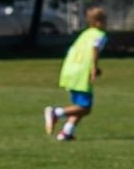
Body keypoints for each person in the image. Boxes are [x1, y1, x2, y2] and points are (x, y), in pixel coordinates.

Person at [44, 8, 107, 142]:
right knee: (85, 108)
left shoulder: (85, 34)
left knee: (78, 106)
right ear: (98, 22)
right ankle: (56, 113)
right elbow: (95, 48)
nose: (106, 24)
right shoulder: (99, 35)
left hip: (70, 69)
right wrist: (94, 68)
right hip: (81, 73)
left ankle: (66, 133)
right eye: (104, 21)